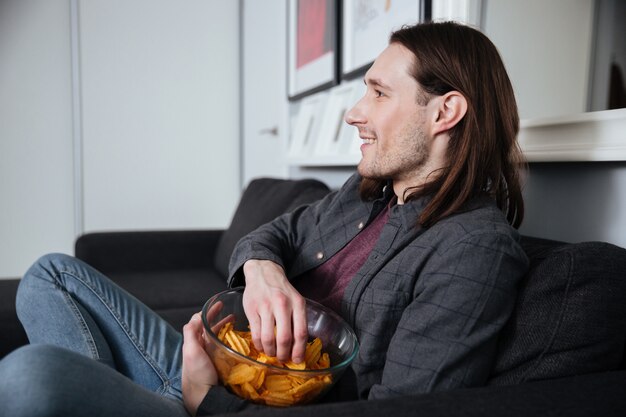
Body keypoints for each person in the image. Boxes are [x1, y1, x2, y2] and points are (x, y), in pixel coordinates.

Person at [0, 21, 528, 417]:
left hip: (228, 402)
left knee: (29, 376)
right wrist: (262, 270)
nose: (354, 112)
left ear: (445, 112)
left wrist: (204, 398)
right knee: (49, 274)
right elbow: (271, 235)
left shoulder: (472, 249)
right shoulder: (366, 193)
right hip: (219, 368)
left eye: (379, 92)